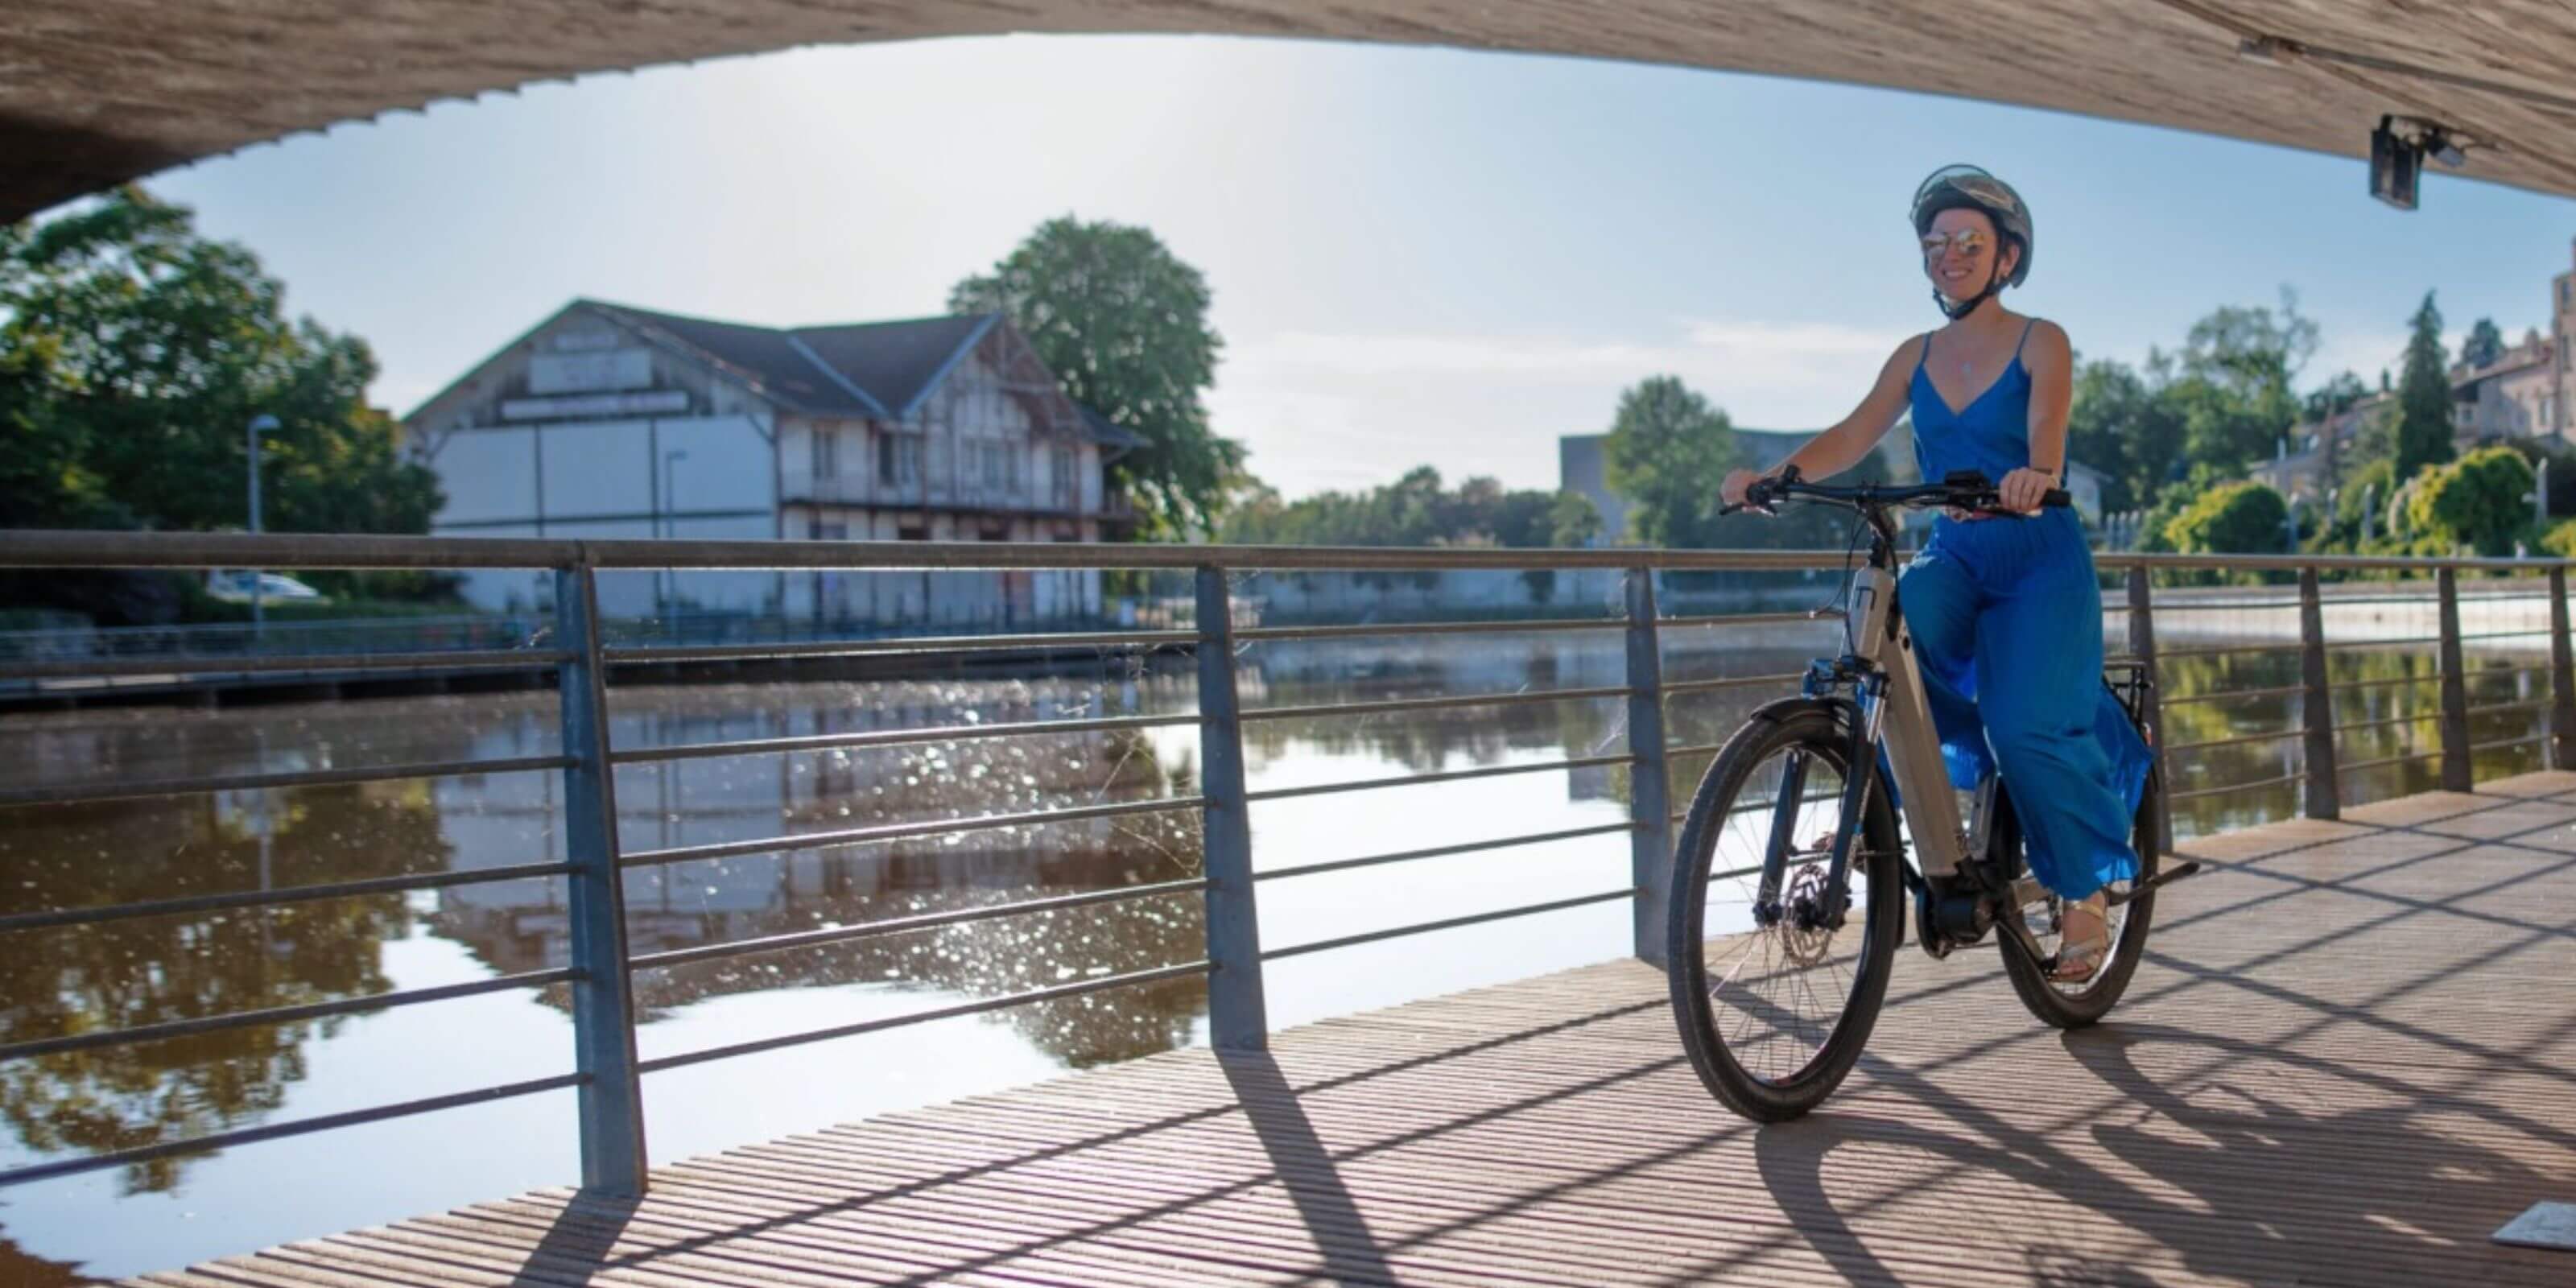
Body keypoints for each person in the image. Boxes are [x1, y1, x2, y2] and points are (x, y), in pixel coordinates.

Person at [1718, 164, 2151, 982]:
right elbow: (1852, 433)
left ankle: (2084, 893)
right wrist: (1774, 476)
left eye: (1966, 242)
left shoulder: (2039, 339)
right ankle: (1861, 810)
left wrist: (2035, 473)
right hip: (1954, 550)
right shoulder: (1913, 354)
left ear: (2005, 258)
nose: (1946, 254)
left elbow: (2045, 427)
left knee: (2024, 725)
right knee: (1882, 645)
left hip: (2034, 555)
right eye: (1933, 243)